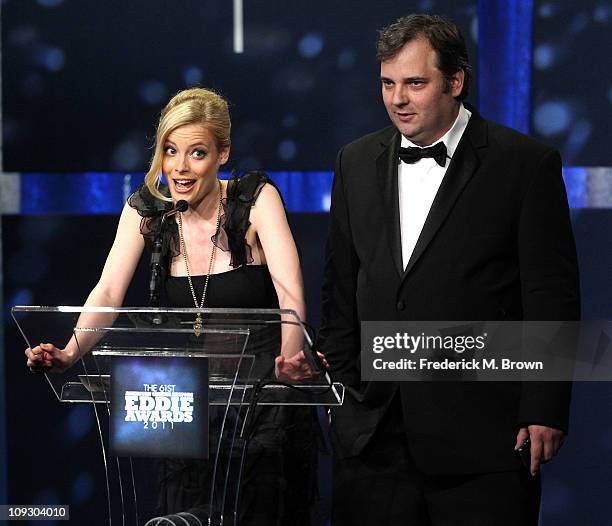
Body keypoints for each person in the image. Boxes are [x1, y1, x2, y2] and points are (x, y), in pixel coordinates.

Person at [317, 13, 580, 526]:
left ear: (455, 82)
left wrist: (544, 407)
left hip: (485, 437)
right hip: (372, 436)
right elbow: (341, 287)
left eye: (415, 83)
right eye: (388, 84)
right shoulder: (354, 161)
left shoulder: (524, 164)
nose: (398, 99)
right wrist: (343, 402)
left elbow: (551, 294)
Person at [25, 87, 321, 525]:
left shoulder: (255, 200)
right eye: (170, 151)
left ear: (223, 154)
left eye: (196, 152)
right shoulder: (147, 211)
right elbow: (107, 293)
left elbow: (289, 293)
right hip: (186, 406)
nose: (180, 168)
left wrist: (289, 358)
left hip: (262, 405)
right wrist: (70, 352)